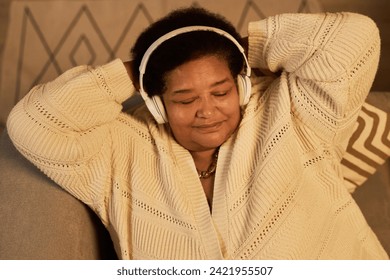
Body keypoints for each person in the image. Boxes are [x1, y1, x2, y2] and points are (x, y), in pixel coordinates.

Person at [6, 6, 388, 260]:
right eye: (185, 99)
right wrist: (142, 66)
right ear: (157, 103)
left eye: (221, 92)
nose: (207, 110)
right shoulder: (119, 149)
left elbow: (353, 39)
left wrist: (231, 47)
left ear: (239, 86)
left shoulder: (293, 114)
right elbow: (33, 124)